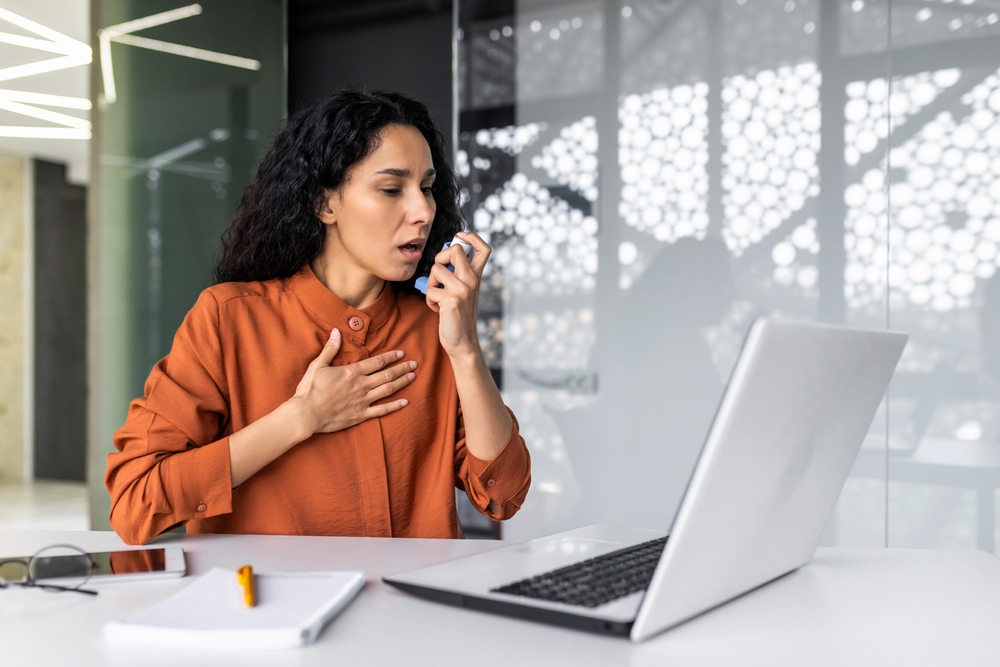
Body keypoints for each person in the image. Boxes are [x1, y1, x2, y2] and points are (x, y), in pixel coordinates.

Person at [105, 91, 531, 545]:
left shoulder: (437, 325)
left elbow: (503, 495)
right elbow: (136, 502)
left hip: (415, 594)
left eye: (427, 187)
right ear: (325, 204)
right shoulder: (228, 319)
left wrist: (465, 349)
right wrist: (300, 417)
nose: (424, 211)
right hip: (267, 593)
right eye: (391, 189)